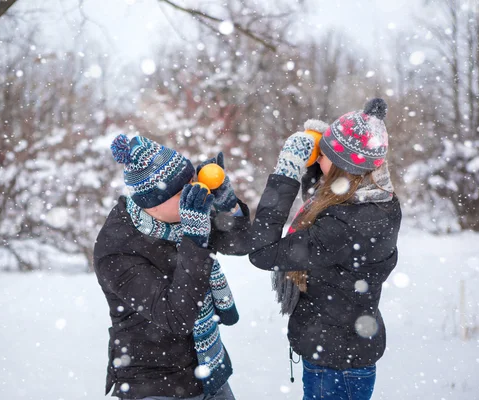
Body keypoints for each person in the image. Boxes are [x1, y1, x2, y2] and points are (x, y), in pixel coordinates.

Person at [248, 98, 402, 400]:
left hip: (333, 364)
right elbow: (327, 203)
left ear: (343, 167)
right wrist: (322, 151)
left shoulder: (342, 227)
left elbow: (263, 251)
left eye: (325, 156)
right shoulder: (379, 200)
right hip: (346, 349)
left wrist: (285, 174)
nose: (318, 160)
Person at [93, 134, 250, 400]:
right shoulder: (115, 249)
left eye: (192, 181)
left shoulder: (184, 214)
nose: (194, 192)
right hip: (154, 382)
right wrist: (195, 239)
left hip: (208, 367)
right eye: (181, 191)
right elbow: (176, 317)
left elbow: (243, 244)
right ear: (152, 203)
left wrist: (228, 206)